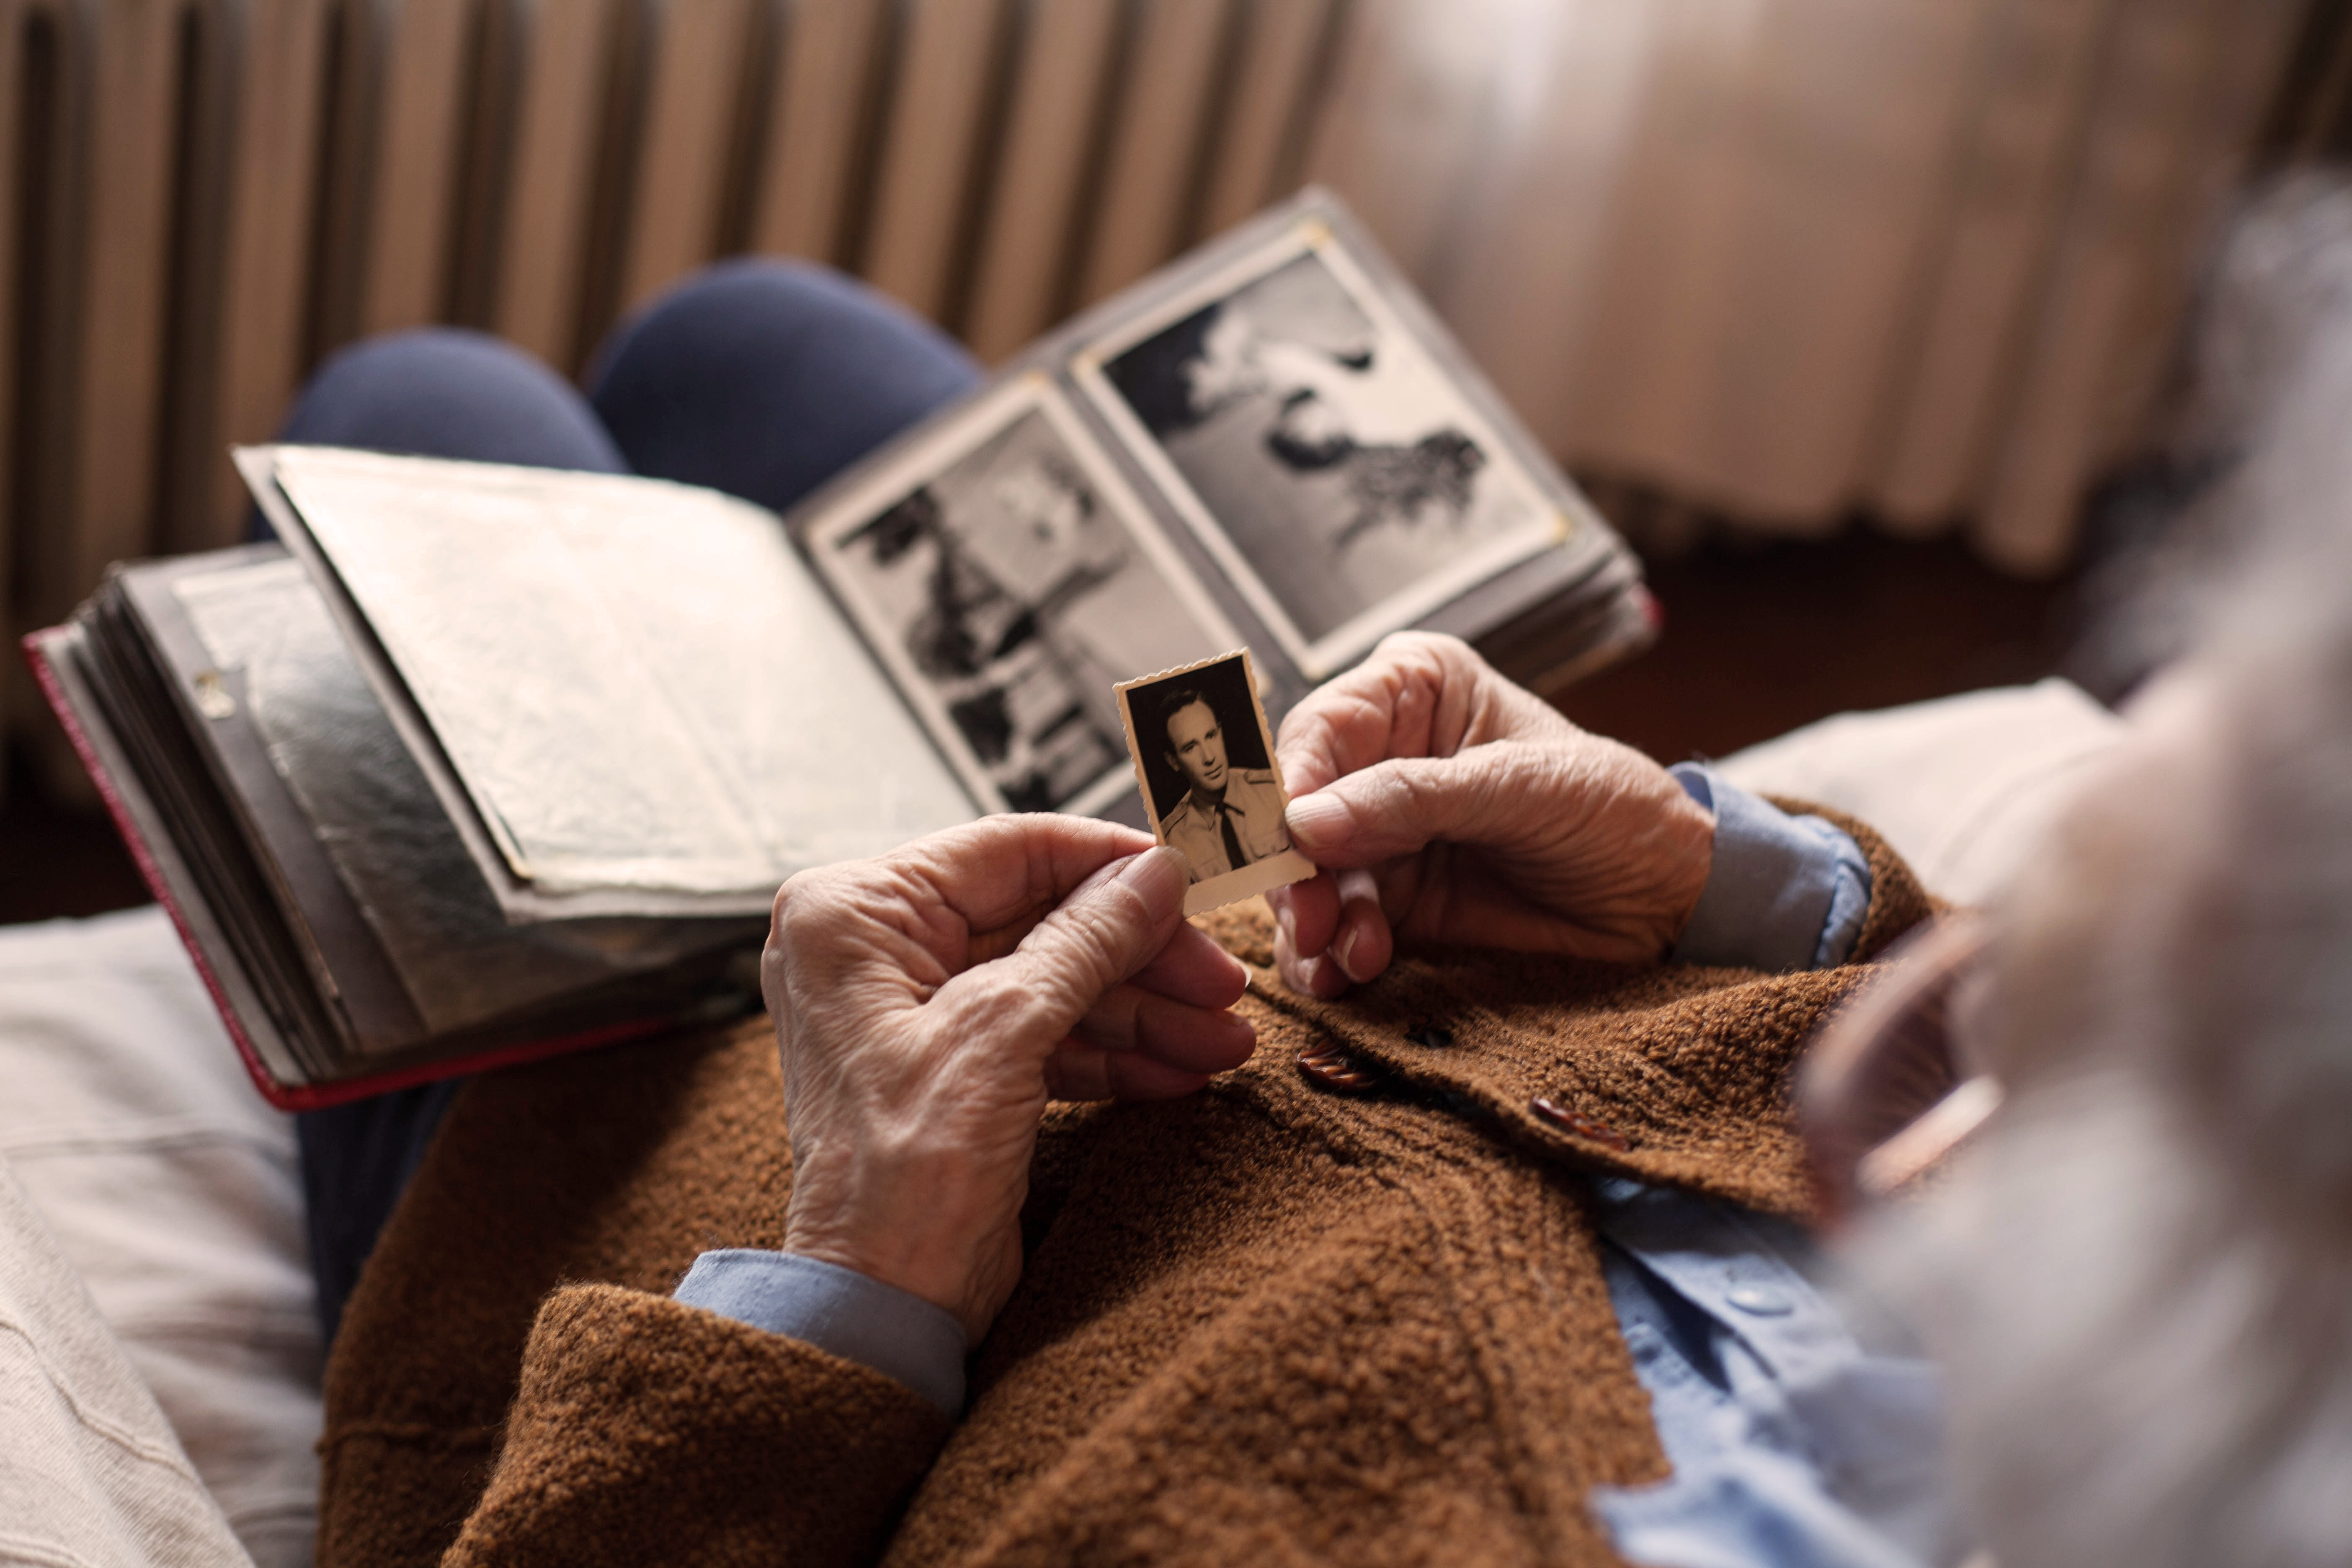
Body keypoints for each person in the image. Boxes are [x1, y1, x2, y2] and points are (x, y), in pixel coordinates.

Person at [283, 259, 1943, 1568]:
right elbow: (2047, 1053)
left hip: (644, 1161)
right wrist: (1726, 878)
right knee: (738, 340)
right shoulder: (2178, 1374)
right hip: (1367, 917)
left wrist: (867, 1265)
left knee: (418, 401)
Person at [1152, 684, 1289, 880]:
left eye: (1211, 736)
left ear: (1221, 732)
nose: (1209, 757)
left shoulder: (1274, 790)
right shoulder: (1172, 841)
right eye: (1191, 748)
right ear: (1173, 761)